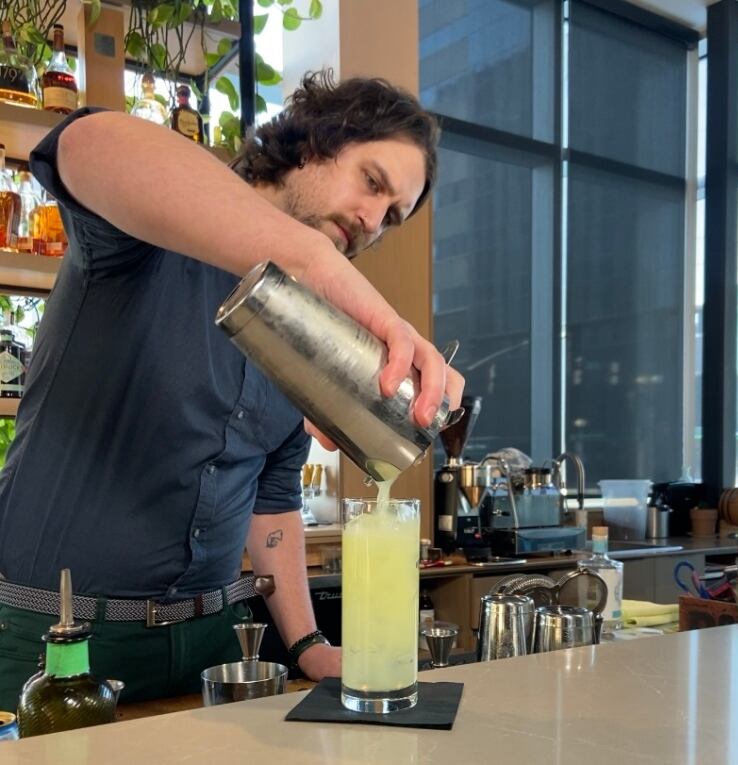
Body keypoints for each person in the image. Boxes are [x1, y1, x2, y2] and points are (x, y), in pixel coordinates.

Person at [0, 69, 464, 710]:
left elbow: (270, 505)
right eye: (372, 182)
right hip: (53, 644)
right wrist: (313, 258)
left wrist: (305, 644)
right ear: (312, 142)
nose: (371, 220)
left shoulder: (306, 337)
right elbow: (84, 143)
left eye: (391, 216)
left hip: (210, 650)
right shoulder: (147, 235)